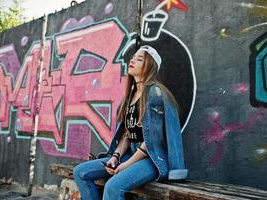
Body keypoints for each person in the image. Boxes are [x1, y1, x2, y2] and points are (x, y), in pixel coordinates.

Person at [73, 45, 188, 200]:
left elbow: (151, 142)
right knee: (80, 172)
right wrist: (115, 157)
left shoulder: (155, 93)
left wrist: (125, 165)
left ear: (150, 66)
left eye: (139, 59)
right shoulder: (131, 96)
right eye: (133, 57)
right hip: (130, 154)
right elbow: (128, 134)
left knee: (113, 187)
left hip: (151, 160)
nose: (132, 60)